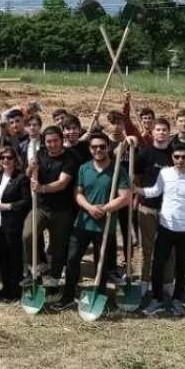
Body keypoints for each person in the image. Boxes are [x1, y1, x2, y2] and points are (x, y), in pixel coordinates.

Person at [56, 132, 131, 310]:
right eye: (94, 147)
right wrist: (90, 208)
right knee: (73, 259)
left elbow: (125, 197)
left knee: (101, 263)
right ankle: (67, 296)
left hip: (105, 224)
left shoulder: (118, 169)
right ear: (90, 149)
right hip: (82, 222)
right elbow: (78, 193)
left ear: (108, 148)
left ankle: (100, 294)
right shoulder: (84, 168)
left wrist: (104, 209)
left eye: (102, 147)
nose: (98, 150)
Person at [139, 144, 185, 318]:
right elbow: (155, 191)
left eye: (184, 157)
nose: (180, 160)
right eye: (176, 157)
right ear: (172, 158)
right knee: (158, 263)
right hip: (166, 228)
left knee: (182, 267)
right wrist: (137, 190)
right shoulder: (165, 174)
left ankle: (177, 300)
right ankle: (157, 299)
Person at [26, 126, 79, 288]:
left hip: (62, 209)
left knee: (58, 246)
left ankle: (54, 280)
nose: (52, 144)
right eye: (49, 141)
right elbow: (28, 174)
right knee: (28, 235)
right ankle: (34, 270)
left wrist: (41, 188)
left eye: (55, 140)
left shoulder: (71, 157)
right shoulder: (39, 154)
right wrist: (31, 168)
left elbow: (62, 183)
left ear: (61, 140)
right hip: (40, 207)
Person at [132, 117, 176, 297]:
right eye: (158, 130)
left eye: (164, 130)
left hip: (170, 209)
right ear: (153, 132)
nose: (161, 133)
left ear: (169, 132)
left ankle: (168, 282)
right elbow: (137, 179)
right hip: (148, 208)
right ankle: (144, 281)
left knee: (169, 249)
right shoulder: (145, 154)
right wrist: (136, 198)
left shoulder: (175, 154)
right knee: (146, 248)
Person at [0, 143, 31, 300]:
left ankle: (16, 289)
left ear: (15, 160)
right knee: (2, 256)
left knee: (14, 257)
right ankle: (6, 286)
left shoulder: (21, 178)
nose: (6, 160)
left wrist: (8, 206)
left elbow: (26, 201)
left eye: (9, 157)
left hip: (13, 224)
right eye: (3, 157)